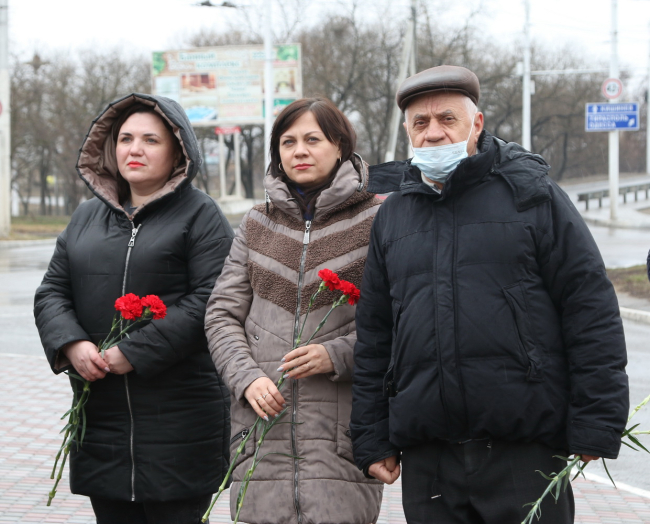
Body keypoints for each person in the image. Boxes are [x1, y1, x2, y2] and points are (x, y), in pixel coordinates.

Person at [350, 65, 629, 524]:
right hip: (429, 459)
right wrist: (371, 435)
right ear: (408, 133)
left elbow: (589, 308)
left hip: (525, 449)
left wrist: (596, 420)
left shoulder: (532, 196)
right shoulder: (393, 216)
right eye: (421, 123)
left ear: (476, 124)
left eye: (447, 119)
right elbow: (376, 336)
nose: (434, 132)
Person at [34, 93, 234, 524]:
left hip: (180, 423)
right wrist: (71, 344)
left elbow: (214, 299)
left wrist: (135, 351)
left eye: (150, 140)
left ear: (178, 151)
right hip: (101, 420)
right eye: (125, 139)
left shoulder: (201, 215)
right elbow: (52, 291)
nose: (134, 149)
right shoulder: (85, 217)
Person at [205, 97, 383, 524]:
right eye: (288, 142)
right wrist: (246, 378)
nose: (299, 151)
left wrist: (336, 354)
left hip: (339, 438)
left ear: (339, 146)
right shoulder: (257, 224)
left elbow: (399, 322)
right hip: (261, 433)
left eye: (312, 139)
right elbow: (221, 315)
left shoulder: (376, 219)